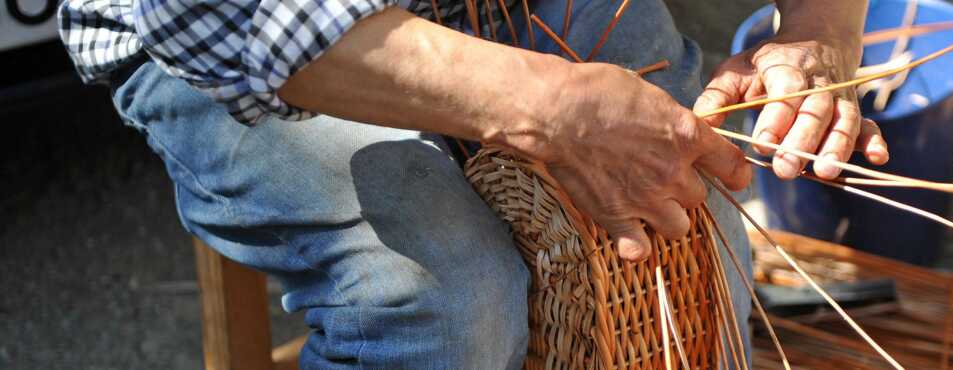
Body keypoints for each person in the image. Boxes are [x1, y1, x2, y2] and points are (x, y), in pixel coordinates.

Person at [59, 0, 887, 367]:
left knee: (694, 228)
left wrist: (819, 30)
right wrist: (550, 107)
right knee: (445, 302)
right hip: (235, 35)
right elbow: (240, 18)